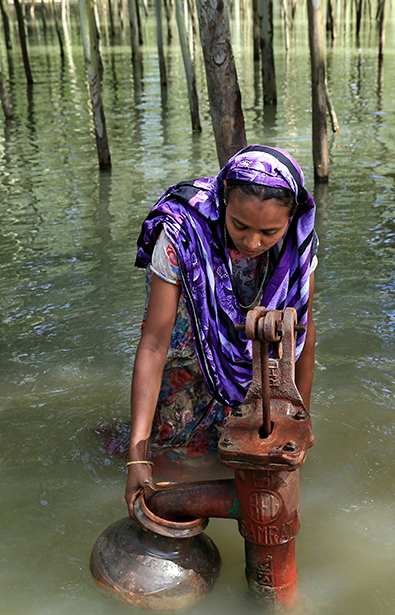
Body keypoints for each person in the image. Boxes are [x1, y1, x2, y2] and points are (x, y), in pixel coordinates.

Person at [124, 145, 318, 517]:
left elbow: (303, 334)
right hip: (184, 365)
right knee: (174, 460)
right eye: (240, 226)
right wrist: (137, 458)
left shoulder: (299, 240)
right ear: (223, 196)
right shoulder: (181, 232)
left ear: (291, 217)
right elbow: (153, 343)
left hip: (249, 367)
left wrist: (299, 418)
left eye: (269, 232)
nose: (253, 242)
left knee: (239, 456)